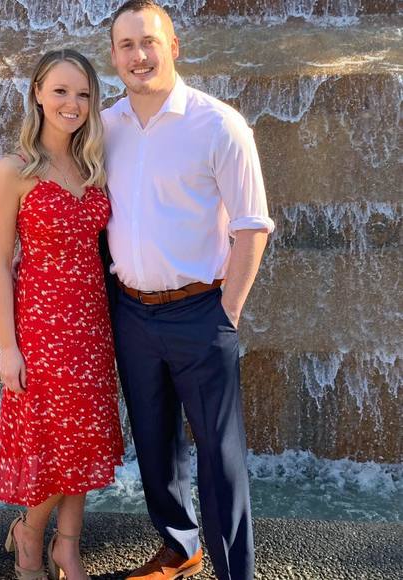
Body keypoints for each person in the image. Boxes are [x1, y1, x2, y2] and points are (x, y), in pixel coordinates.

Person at [103, 2, 275, 579]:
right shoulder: (104, 127)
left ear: (173, 47)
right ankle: (181, 547)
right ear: (114, 57)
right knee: (155, 444)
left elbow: (252, 226)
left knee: (219, 456)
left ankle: (233, 571)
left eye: (149, 42)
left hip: (202, 310)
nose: (139, 56)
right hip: (131, 312)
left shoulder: (219, 124)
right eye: (126, 45)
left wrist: (226, 312)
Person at [0, 49, 124, 580]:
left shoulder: (93, 166)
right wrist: (8, 347)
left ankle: (67, 548)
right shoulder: (14, 170)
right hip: (41, 329)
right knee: (51, 441)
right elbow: (0, 265)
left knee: (83, 437)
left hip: (92, 326)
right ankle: (29, 537)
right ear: (38, 93)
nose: (73, 103)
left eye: (83, 94)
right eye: (61, 91)